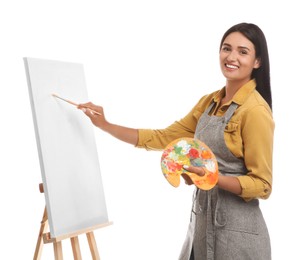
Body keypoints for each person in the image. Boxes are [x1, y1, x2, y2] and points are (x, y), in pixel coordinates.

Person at [78, 22, 274, 260]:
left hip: (238, 238)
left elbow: (262, 185)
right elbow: (164, 137)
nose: (231, 57)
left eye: (243, 52)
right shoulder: (209, 103)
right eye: (226, 48)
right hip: (201, 228)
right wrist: (106, 125)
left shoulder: (255, 111)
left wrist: (211, 178)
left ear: (257, 62)